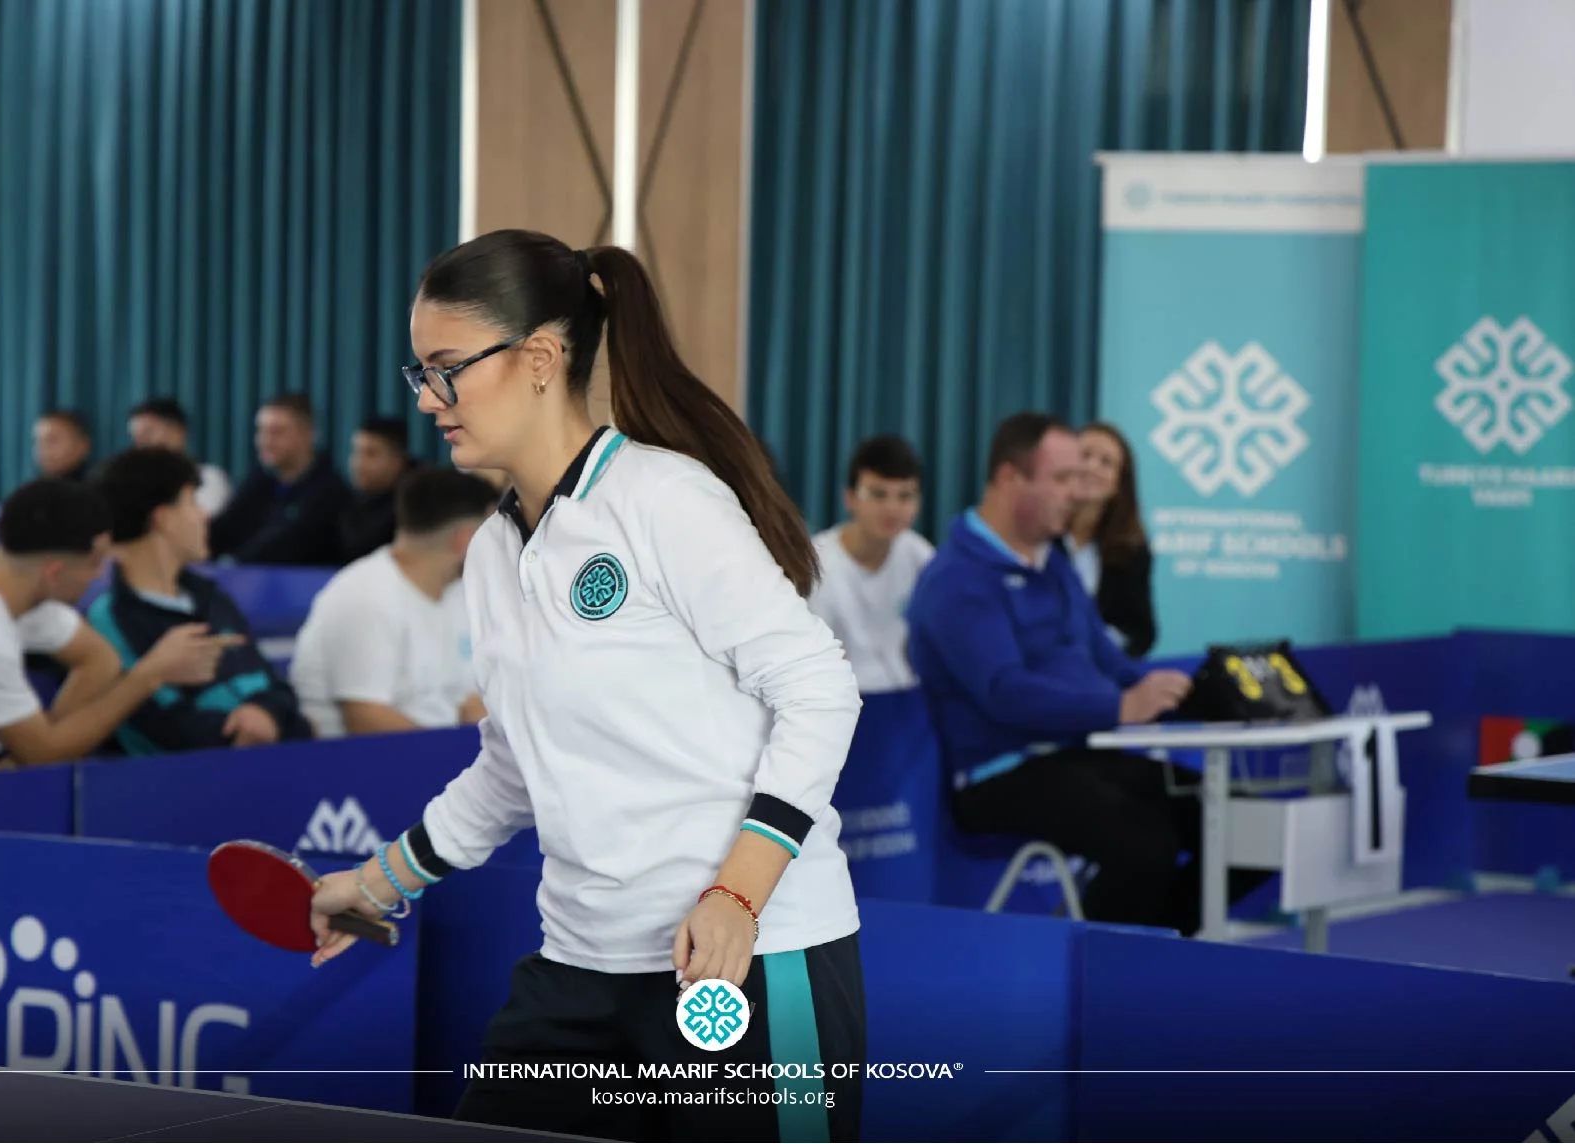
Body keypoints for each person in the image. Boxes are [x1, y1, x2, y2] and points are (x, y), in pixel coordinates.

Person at [306, 230, 866, 1142]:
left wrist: (737, 897)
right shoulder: (491, 554)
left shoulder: (663, 498)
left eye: (446, 369)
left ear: (539, 358)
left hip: (747, 959)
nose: (428, 400)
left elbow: (818, 688)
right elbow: (511, 767)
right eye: (420, 373)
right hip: (577, 971)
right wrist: (376, 882)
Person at [907, 413, 1258, 937]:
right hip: (998, 774)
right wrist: (1119, 707)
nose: (1077, 492)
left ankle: (1151, 948)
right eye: (1063, 478)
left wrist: (1189, 697)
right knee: (1144, 844)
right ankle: (1108, 964)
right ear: (1010, 478)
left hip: (1079, 755)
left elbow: (1109, 661)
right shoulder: (955, 580)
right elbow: (1005, 693)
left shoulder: (1053, 562)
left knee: (1243, 825)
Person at [0, 480, 233, 785]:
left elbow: (99, 659)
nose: (101, 576)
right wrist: (150, 675)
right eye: (95, 564)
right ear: (55, 573)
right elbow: (45, 756)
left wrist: (35, 746)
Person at [88, 448, 313, 754]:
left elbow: (274, 686)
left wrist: (267, 714)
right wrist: (250, 731)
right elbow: (167, 725)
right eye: (192, 501)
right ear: (163, 519)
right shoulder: (108, 619)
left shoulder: (211, 597)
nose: (204, 515)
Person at [292, 465, 496, 737]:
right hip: (368, 759)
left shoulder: (461, 593)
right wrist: (452, 750)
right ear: (465, 539)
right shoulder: (364, 596)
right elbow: (365, 720)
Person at [807, 434, 935, 692]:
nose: (892, 508)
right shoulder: (815, 562)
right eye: (878, 494)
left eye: (905, 496)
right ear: (850, 498)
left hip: (904, 694)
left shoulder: (920, 556)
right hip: (836, 697)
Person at [208, 394, 348, 566]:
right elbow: (222, 530)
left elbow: (285, 543)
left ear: (307, 434)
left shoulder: (330, 491)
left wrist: (233, 563)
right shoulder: (259, 482)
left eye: (277, 432)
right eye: (261, 431)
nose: (265, 441)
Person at [1063, 422, 1156, 657]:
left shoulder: (1132, 550)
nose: (1091, 467)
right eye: (1084, 456)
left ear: (1118, 484)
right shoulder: (1038, 533)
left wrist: (1102, 645)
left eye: (1106, 462)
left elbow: (1141, 632)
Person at [126, 396, 234, 515]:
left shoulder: (209, 479)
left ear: (178, 431)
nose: (141, 444)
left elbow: (202, 519)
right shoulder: (131, 485)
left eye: (148, 433)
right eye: (136, 437)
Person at [336, 416, 412, 563]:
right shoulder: (346, 500)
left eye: (371, 454)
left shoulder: (415, 507)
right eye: (356, 452)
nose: (359, 463)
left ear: (397, 460)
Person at [32, 410, 92, 482]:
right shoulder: (31, 488)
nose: (43, 447)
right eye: (39, 441)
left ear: (82, 446)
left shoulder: (96, 486)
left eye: (53, 440)